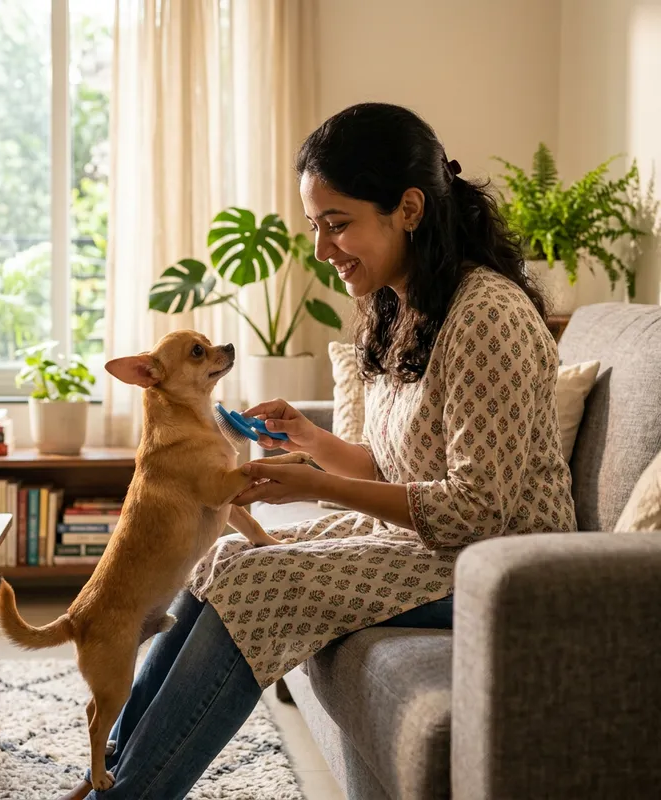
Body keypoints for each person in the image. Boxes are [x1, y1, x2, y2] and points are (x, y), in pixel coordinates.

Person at [57, 102, 576, 800]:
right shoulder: (404, 306)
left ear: (409, 209)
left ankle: (132, 794)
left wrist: (312, 485)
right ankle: (113, 770)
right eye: (315, 228)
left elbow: (476, 511)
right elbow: (399, 467)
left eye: (338, 225)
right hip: (434, 545)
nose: (323, 249)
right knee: (232, 556)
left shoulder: (488, 316)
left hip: (504, 566)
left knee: (263, 584)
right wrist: (310, 442)